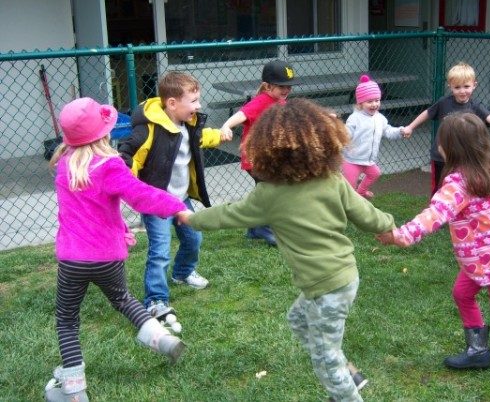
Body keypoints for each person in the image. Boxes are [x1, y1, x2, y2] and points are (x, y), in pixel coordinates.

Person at [180, 99, 396, 401]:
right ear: (322, 143)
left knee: (325, 358)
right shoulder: (332, 180)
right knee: (298, 320)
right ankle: (349, 375)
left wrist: (191, 218)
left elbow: (227, 214)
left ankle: (344, 389)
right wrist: (387, 227)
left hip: (326, 286)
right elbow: (367, 215)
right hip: (344, 276)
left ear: (267, 152)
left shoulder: (270, 194)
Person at [377, 112, 490, 375]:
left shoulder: (458, 185)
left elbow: (434, 215)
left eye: (441, 142)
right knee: (462, 294)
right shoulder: (485, 168)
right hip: (479, 259)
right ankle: (478, 351)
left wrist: (399, 236)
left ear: (453, 148)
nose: (438, 146)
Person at [45, 98, 187, 402]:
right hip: (108, 257)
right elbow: (141, 196)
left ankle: (74, 391)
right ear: (103, 134)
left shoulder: (64, 166)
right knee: (122, 299)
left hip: (72, 259)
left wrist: (120, 228)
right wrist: (177, 207)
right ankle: (160, 338)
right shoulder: (110, 166)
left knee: (67, 319)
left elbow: (82, 210)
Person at [119, 71, 224, 319]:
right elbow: (127, 154)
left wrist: (219, 135)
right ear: (173, 103)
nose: (199, 106)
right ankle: (156, 299)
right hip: (156, 202)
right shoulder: (148, 130)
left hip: (180, 198)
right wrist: (129, 179)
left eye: (198, 100)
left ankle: (183, 272)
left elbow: (199, 138)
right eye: (194, 101)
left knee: (194, 239)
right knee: (160, 249)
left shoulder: (188, 124)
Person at [219, 59, 298, 246]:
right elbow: (242, 114)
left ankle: (254, 228)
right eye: (281, 86)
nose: (286, 90)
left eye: (289, 86)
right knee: (272, 192)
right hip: (256, 159)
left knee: (265, 192)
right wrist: (226, 125)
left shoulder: (280, 101)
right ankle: (265, 228)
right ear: (268, 86)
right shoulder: (262, 100)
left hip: (269, 159)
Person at [402, 62, 490, 196]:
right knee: (439, 189)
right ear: (450, 87)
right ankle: (437, 213)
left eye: (466, 86)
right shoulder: (444, 103)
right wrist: (410, 127)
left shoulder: (476, 106)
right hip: (440, 156)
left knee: (460, 188)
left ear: (474, 85)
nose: (462, 91)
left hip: (463, 157)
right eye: (457, 87)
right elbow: (427, 113)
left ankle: (457, 214)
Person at [341, 74, 404, 199]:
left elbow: (388, 131)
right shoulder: (355, 119)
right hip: (352, 160)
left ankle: (361, 192)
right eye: (370, 101)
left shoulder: (379, 118)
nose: (374, 104)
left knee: (375, 173)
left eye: (377, 100)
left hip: (368, 160)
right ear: (360, 103)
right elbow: (345, 135)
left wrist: (400, 131)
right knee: (349, 186)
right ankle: (346, 203)